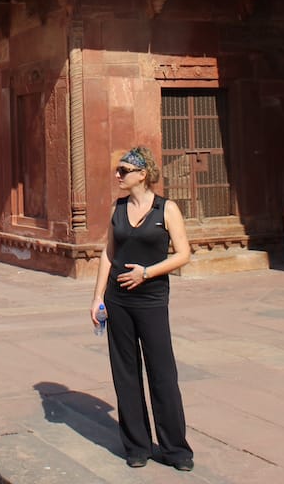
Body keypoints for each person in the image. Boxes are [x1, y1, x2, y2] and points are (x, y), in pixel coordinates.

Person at [90, 146, 194, 471]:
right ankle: (137, 445)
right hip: (118, 300)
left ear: (142, 174)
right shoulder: (117, 209)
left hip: (151, 299)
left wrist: (146, 272)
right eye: (118, 170)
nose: (118, 175)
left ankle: (176, 449)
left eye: (123, 170)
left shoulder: (166, 209)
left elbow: (183, 254)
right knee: (125, 374)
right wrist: (97, 298)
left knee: (162, 373)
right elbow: (108, 253)